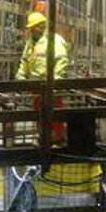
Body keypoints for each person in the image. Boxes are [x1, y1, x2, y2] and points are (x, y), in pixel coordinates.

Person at [16, 11, 69, 143]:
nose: (32, 30)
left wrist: (55, 81)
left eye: (34, 27)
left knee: (53, 112)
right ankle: (42, 137)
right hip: (36, 85)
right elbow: (25, 60)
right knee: (38, 113)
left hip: (50, 85)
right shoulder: (31, 41)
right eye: (32, 28)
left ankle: (56, 139)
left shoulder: (54, 40)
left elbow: (61, 61)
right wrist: (21, 76)